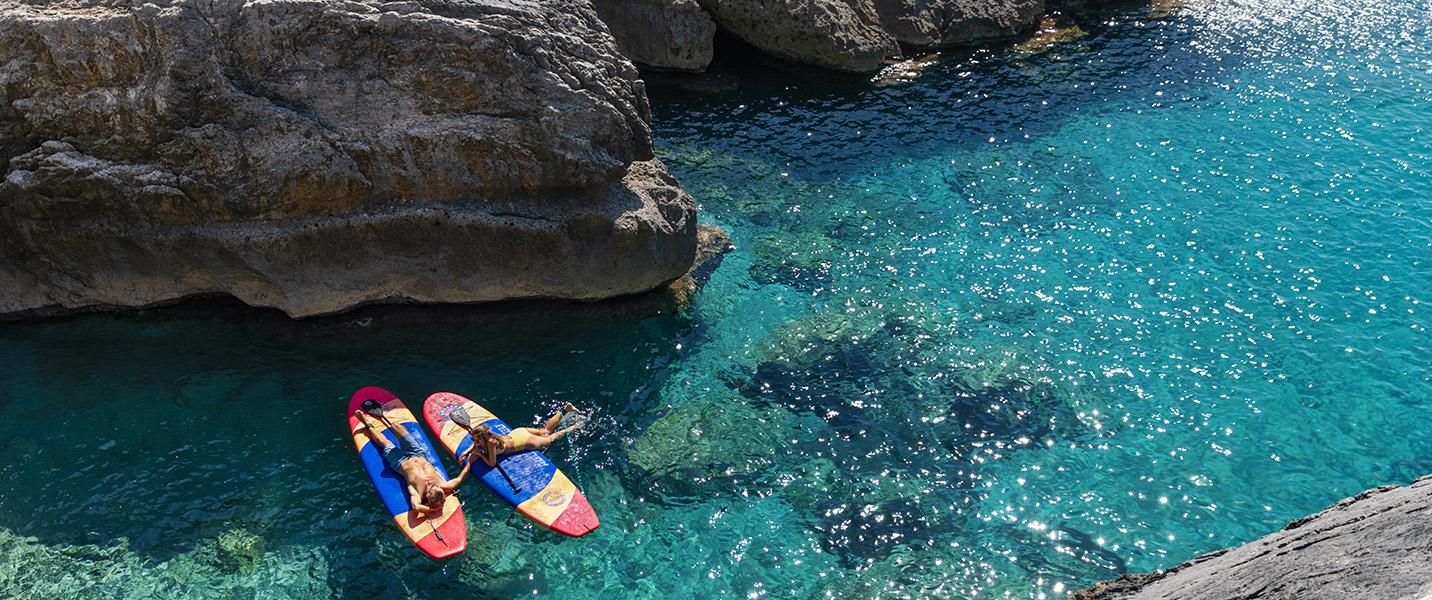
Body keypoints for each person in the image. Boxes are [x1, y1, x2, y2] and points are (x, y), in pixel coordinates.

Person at [354, 409, 471, 515]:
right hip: (418, 453)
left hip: (399, 461)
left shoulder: (417, 492)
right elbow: (461, 477)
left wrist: (431, 510)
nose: (436, 486)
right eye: (439, 489)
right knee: (398, 428)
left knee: (382, 441)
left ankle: (366, 422)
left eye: (435, 489)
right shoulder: (443, 486)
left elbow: (415, 507)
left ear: (428, 495)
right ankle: (382, 417)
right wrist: (470, 460)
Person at [461, 402, 585, 467]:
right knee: (545, 430)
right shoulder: (488, 436)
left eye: (476, 440)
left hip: (525, 441)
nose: (474, 443)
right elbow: (476, 444)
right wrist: (466, 452)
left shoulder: (491, 444)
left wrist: (480, 455)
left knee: (550, 437)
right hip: (518, 432)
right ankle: (565, 410)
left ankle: (574, 427)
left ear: (483, 439)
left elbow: (491, 463)